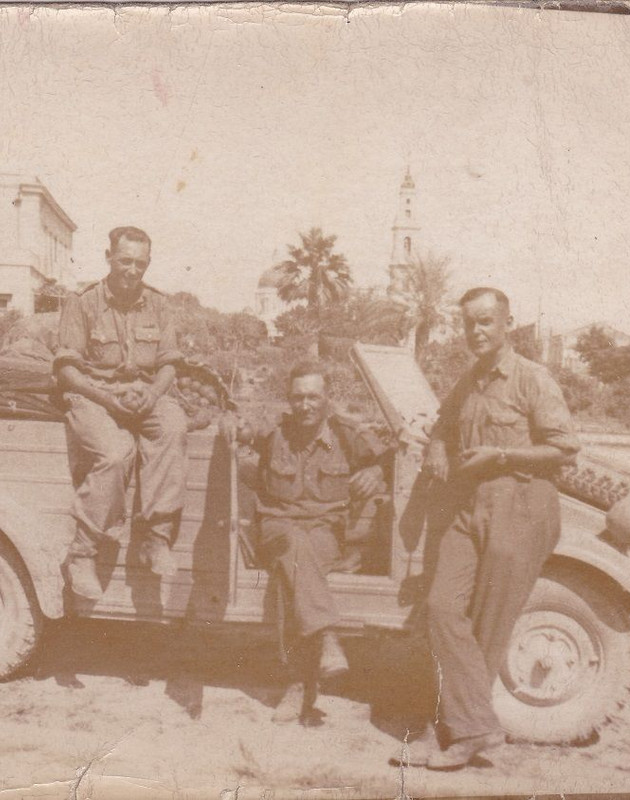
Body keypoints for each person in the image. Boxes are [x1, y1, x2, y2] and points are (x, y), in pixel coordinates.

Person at [397, 287, 580, 770]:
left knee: (488, 624)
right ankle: (476, 728)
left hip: (520, 506)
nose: (476, 332)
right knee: (441, 607)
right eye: (469, 324)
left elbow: (564, 448)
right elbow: (443, 424)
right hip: (469, 505)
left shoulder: (532, 379)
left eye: (485, 322)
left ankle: (457, 734)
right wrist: (438, 447)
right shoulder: (470, 378)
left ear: (507, 324)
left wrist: (501, 455)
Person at [221, 361, 388, 724]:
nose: (305, 405)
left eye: (313, 397)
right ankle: (326, 636)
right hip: (277, 525)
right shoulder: (274, 430)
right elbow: (238, 427)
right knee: (293, 546)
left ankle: (298, 683)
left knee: (290, 575)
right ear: (289, 399)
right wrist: (231, 425)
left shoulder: (347, 433)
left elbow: (391, 459)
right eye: (298, 398)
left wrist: (375, 471)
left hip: (326, 530)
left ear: (327, 398)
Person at [54, 226, 188, 601]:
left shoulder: (159, 305)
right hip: (93, 394)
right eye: (125, 261)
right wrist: (107, 399)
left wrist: (154, 393)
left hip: (143, 393)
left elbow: (169, 363)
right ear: (109, 257)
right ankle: (83, 553)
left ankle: (156, 538)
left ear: (148, 263)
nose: (132, 270)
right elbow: (67, 371)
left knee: (174, 428)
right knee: (116, 454)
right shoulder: (83, 303)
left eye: (140, 264)